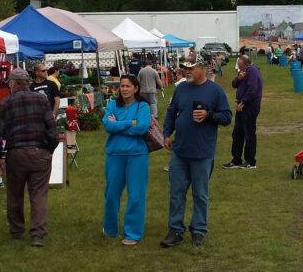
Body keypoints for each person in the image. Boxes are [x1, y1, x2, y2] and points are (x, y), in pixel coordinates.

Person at [159, 60, 232, 248]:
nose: (187, 71)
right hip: (180, 150)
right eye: (185, 68)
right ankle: (175, 230)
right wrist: (167, 134)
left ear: (202, 69)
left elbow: (227, 117)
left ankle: (198, 230)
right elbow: (171, 112)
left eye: (191, 68)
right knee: (177, 192)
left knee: (200, 194)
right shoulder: (181, 88)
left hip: (202, 151)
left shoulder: (215, 91)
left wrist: (209, 116)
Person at [0, 68, 60, 246]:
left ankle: (16, 232)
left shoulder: (6, 103)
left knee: (15, 195)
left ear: (12, 83)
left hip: (16, 154)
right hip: (40, 152)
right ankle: (38, 235)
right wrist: (49, 151)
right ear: (27, 83)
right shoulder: (42, 100)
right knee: (39, 195)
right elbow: (52, 130)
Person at [102, 75, 151, 245]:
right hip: (114, 155)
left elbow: (143, 127)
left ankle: (133, 233)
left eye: (128, 86)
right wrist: (130, 122)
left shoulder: (142, 106)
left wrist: (119, 125)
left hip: (137, 155)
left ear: (136, 88)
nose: (124, 89)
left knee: (136, 195)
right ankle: (110, 228)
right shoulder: (112, 105)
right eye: (122, 86)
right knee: (111, 195)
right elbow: (108, 125)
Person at [224, 54, 263, 169]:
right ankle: (236, 160)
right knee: (237, 133)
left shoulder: (252, 71)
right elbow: (234, 84)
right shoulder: (244, 72)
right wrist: (239, 78)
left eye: (240, 66)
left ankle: (250, 161)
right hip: (241, 106)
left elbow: (252, 90)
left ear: (246, 63)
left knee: (249, 133)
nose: (239, 69)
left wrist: (243, 102)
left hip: (249, 107)